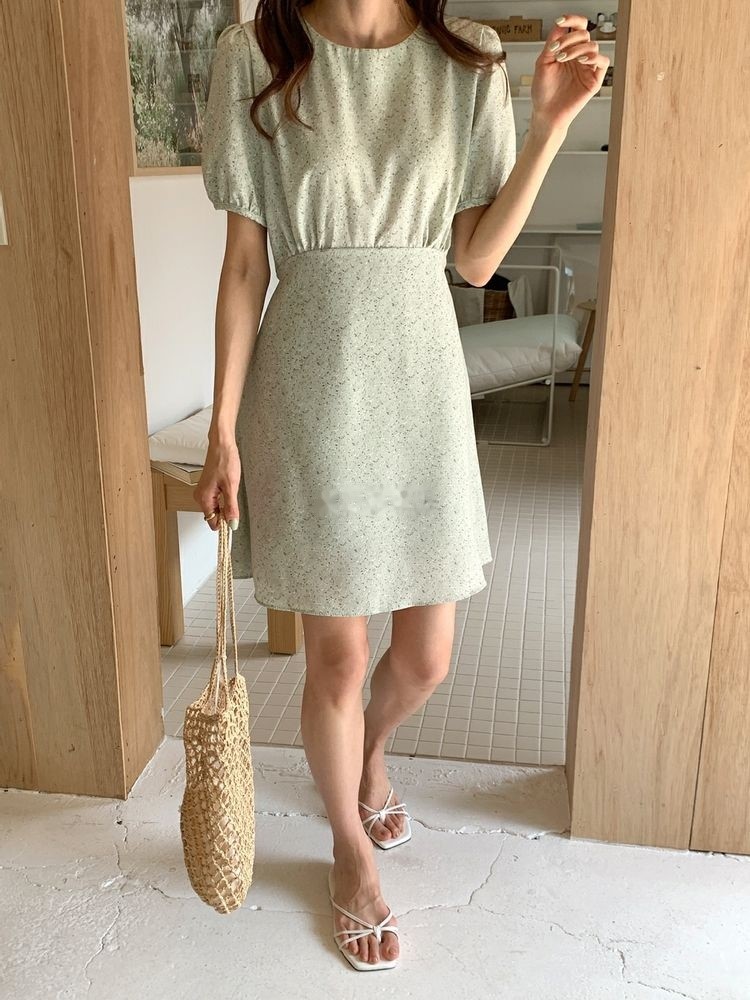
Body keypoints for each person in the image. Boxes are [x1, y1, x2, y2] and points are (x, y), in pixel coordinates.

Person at [194, 0, 608, 971]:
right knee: (338, 659)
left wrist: (550, 125)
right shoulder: (255, 52)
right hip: (311, 389)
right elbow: (245, 264)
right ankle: (348, 848)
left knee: (426, 657)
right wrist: (221, 428)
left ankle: (369, 753)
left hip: (421, 384)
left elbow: (476, 259)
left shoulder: (470, 61)